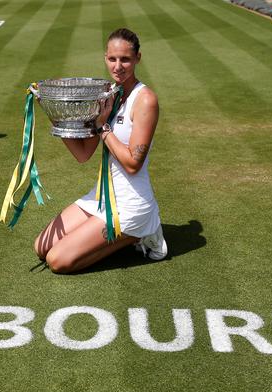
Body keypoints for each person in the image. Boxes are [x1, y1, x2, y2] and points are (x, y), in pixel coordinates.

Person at [34, 28, 167, 274]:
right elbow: (83, 154)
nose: (118, 66)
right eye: (112, 59)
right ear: (105, 57)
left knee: (57, 261)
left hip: (131, 204)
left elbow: (132, 164)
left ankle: (142, 231)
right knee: (41, 247)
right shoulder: (106, 95)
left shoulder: (145, 99)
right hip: (102, 196)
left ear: (138, 58)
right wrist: (55, 117)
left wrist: (102, 127)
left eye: (125, 59)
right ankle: (125, 235)